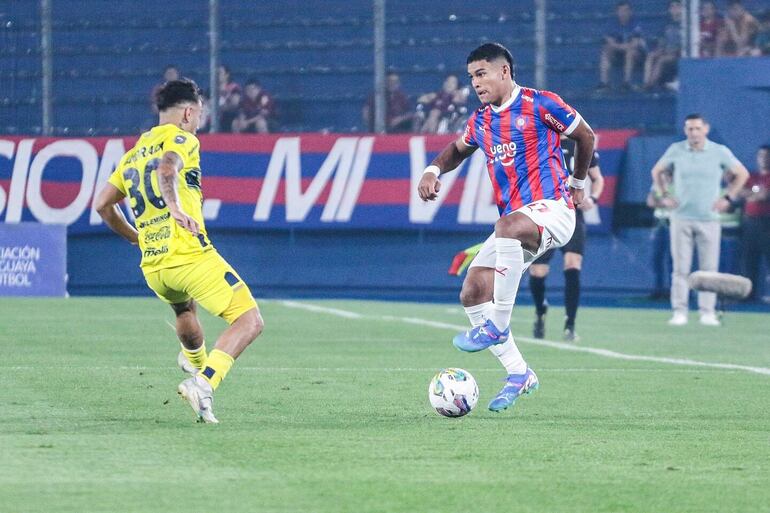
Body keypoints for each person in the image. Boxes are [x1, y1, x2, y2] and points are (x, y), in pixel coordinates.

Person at [417, 43, 596, 412]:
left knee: (507, 225)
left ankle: (498, 324)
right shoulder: (482, 121)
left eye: (481, 74)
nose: (475, 84)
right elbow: (456, 149)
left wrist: (578, 183)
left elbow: (586, 137)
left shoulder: (541, 103)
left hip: (555, 209)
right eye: (471, 78)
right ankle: (518, 372)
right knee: (473, 289)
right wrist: (433, 169)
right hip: (517, 223)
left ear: (504, 72)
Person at [93, 79, 264, 423]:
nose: (199, 120)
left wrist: (135, 238)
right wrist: (174, 208)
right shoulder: (183, 138)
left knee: (186, 312)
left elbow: (102, 205)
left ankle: (195, 361)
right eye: (199, 113)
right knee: (249, 319)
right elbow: (167, 168)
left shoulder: (132, 154)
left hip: (155, 267)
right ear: (188, 112)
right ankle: (204, 383)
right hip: (188, 255)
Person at [651, 113, 749, 326]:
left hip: (709, 218)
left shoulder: (718, 151)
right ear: (685, 130)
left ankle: (707, 312)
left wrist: (729, 197)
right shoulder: (676, 150)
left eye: (697, 128)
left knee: (709, 268)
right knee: (680, 268)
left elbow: (741, 173)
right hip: (681, 217)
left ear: (706, 129)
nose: (693, 132)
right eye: (689, 128)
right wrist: (664, 195)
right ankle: (680, 311)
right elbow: (657, 170)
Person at [529, 136, 604, 342]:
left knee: (573, 264)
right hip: (544, 214)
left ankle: (570, 324)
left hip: (572, 214)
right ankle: (540, 310)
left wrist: (593, 198)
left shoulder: (580, 145)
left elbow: (597, 178)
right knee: (537, 271)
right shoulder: (539, 143)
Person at [739, 145, 770, 300]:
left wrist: (752, 194)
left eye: (766, 156)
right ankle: (748, 296)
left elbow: (764, 196)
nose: (763, 159)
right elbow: (740, 192)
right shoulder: (751, 177)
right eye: (760, 156)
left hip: (766, 223)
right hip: (750, 223)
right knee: (749, 260)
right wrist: (753, 194)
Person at [598, 1, 645, 91]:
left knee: (630, 52)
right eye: (621, 10)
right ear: (617, 12)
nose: (624, 13)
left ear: (630, 12)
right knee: (606, 50)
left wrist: (620, 46)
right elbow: (609, 41)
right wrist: (622, 47)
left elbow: (635, 44)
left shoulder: (636, 24)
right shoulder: (611, 24)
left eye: (626, 10)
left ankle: (626, 82)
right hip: (619, 53)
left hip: (636, 56)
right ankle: (604, 82)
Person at [646, 168, 674, 300]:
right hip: (659, 224)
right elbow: (650, 202)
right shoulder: (656, 185)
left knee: (672, 259)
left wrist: (664, 203)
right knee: (656, 258)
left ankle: (673, 290)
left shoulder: (678, 186)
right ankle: (657, 289)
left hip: (672, 224)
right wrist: (662, 203)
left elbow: (676, 204)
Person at [643, 0, 682, 90]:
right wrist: (660, 50)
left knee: (661, 60)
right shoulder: (667, 25)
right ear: (669, 10)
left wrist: (674, 52)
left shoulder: (685, 25)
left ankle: (650, 85)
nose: (675, 9)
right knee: (651, 56)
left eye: (677, 6)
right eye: (672, 6)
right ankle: (645, 82)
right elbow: (662, 42)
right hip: (666, 51)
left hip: (678, 54)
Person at [217, 65, 242, 132]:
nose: (217, 75)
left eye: (220, 73)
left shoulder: (234, 88)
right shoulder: (212, 88)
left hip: (229, 115)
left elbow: (235, 103)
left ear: (227, 75)